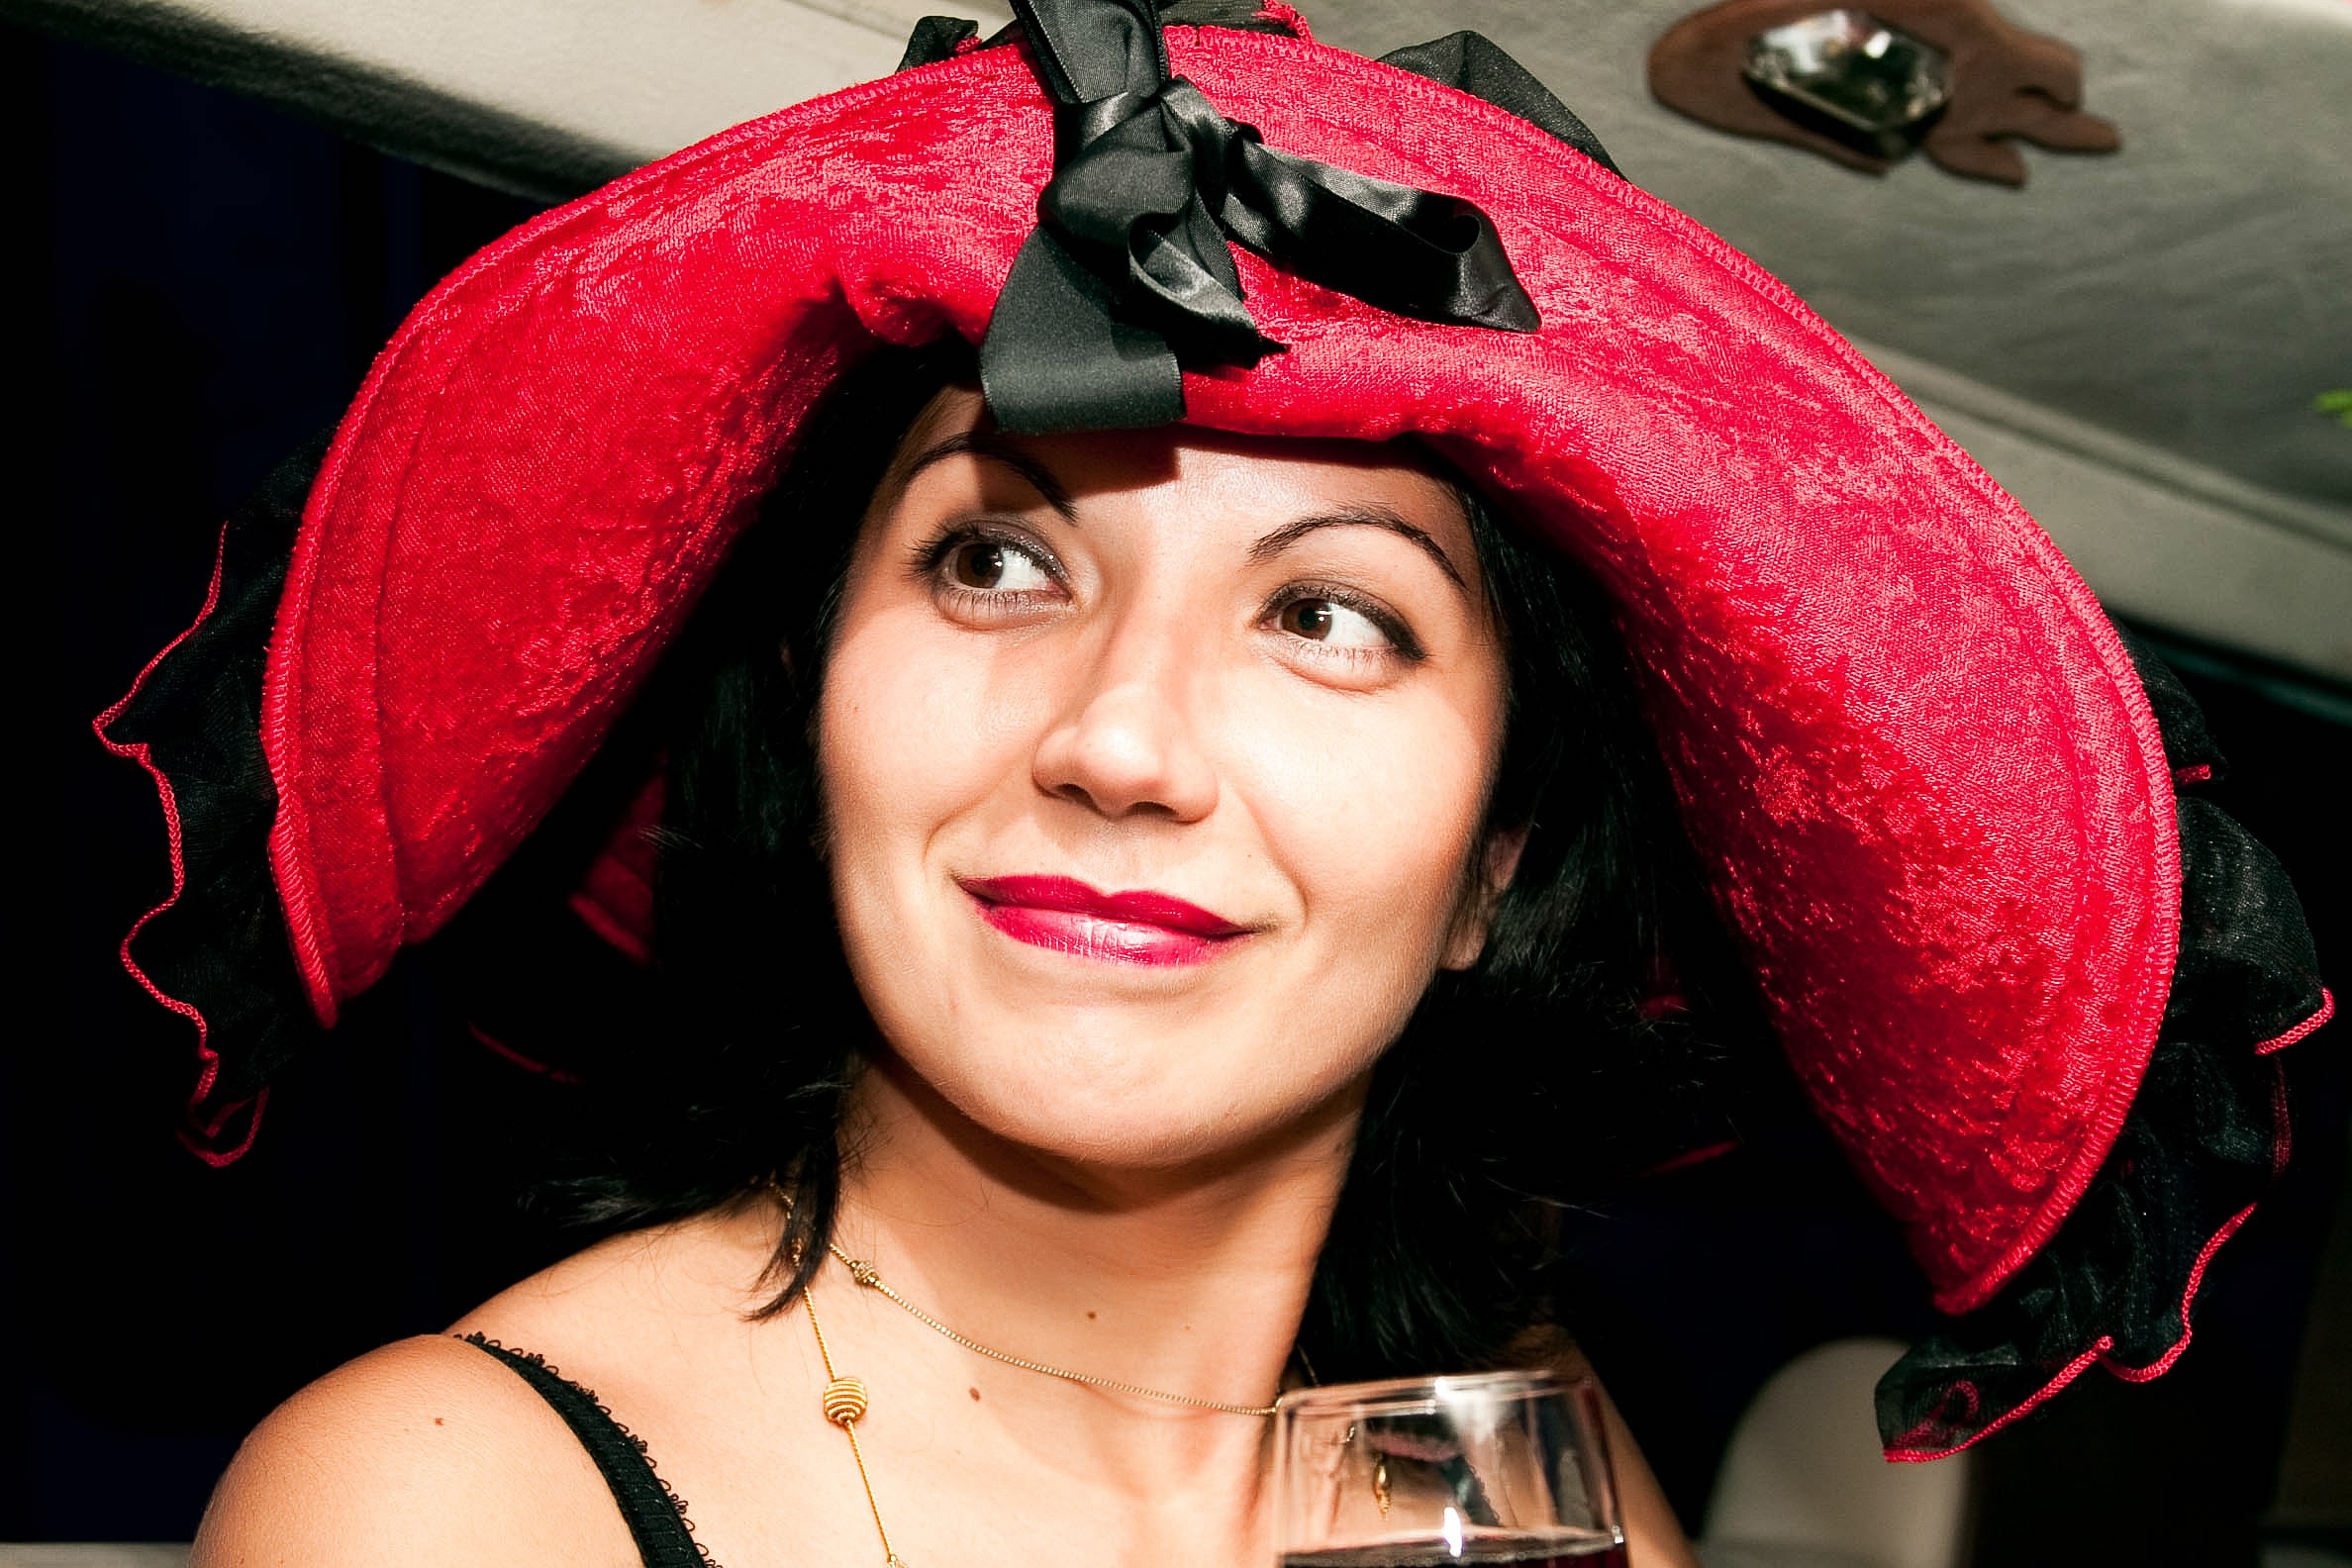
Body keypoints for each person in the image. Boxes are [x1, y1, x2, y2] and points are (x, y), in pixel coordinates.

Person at [95, 0, 2326, 1564]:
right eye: (995, 562)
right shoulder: (456, 1500)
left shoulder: (1497, 1469)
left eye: (1331, 614)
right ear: (816, 704)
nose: (1122, 739)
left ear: (1498, 861)